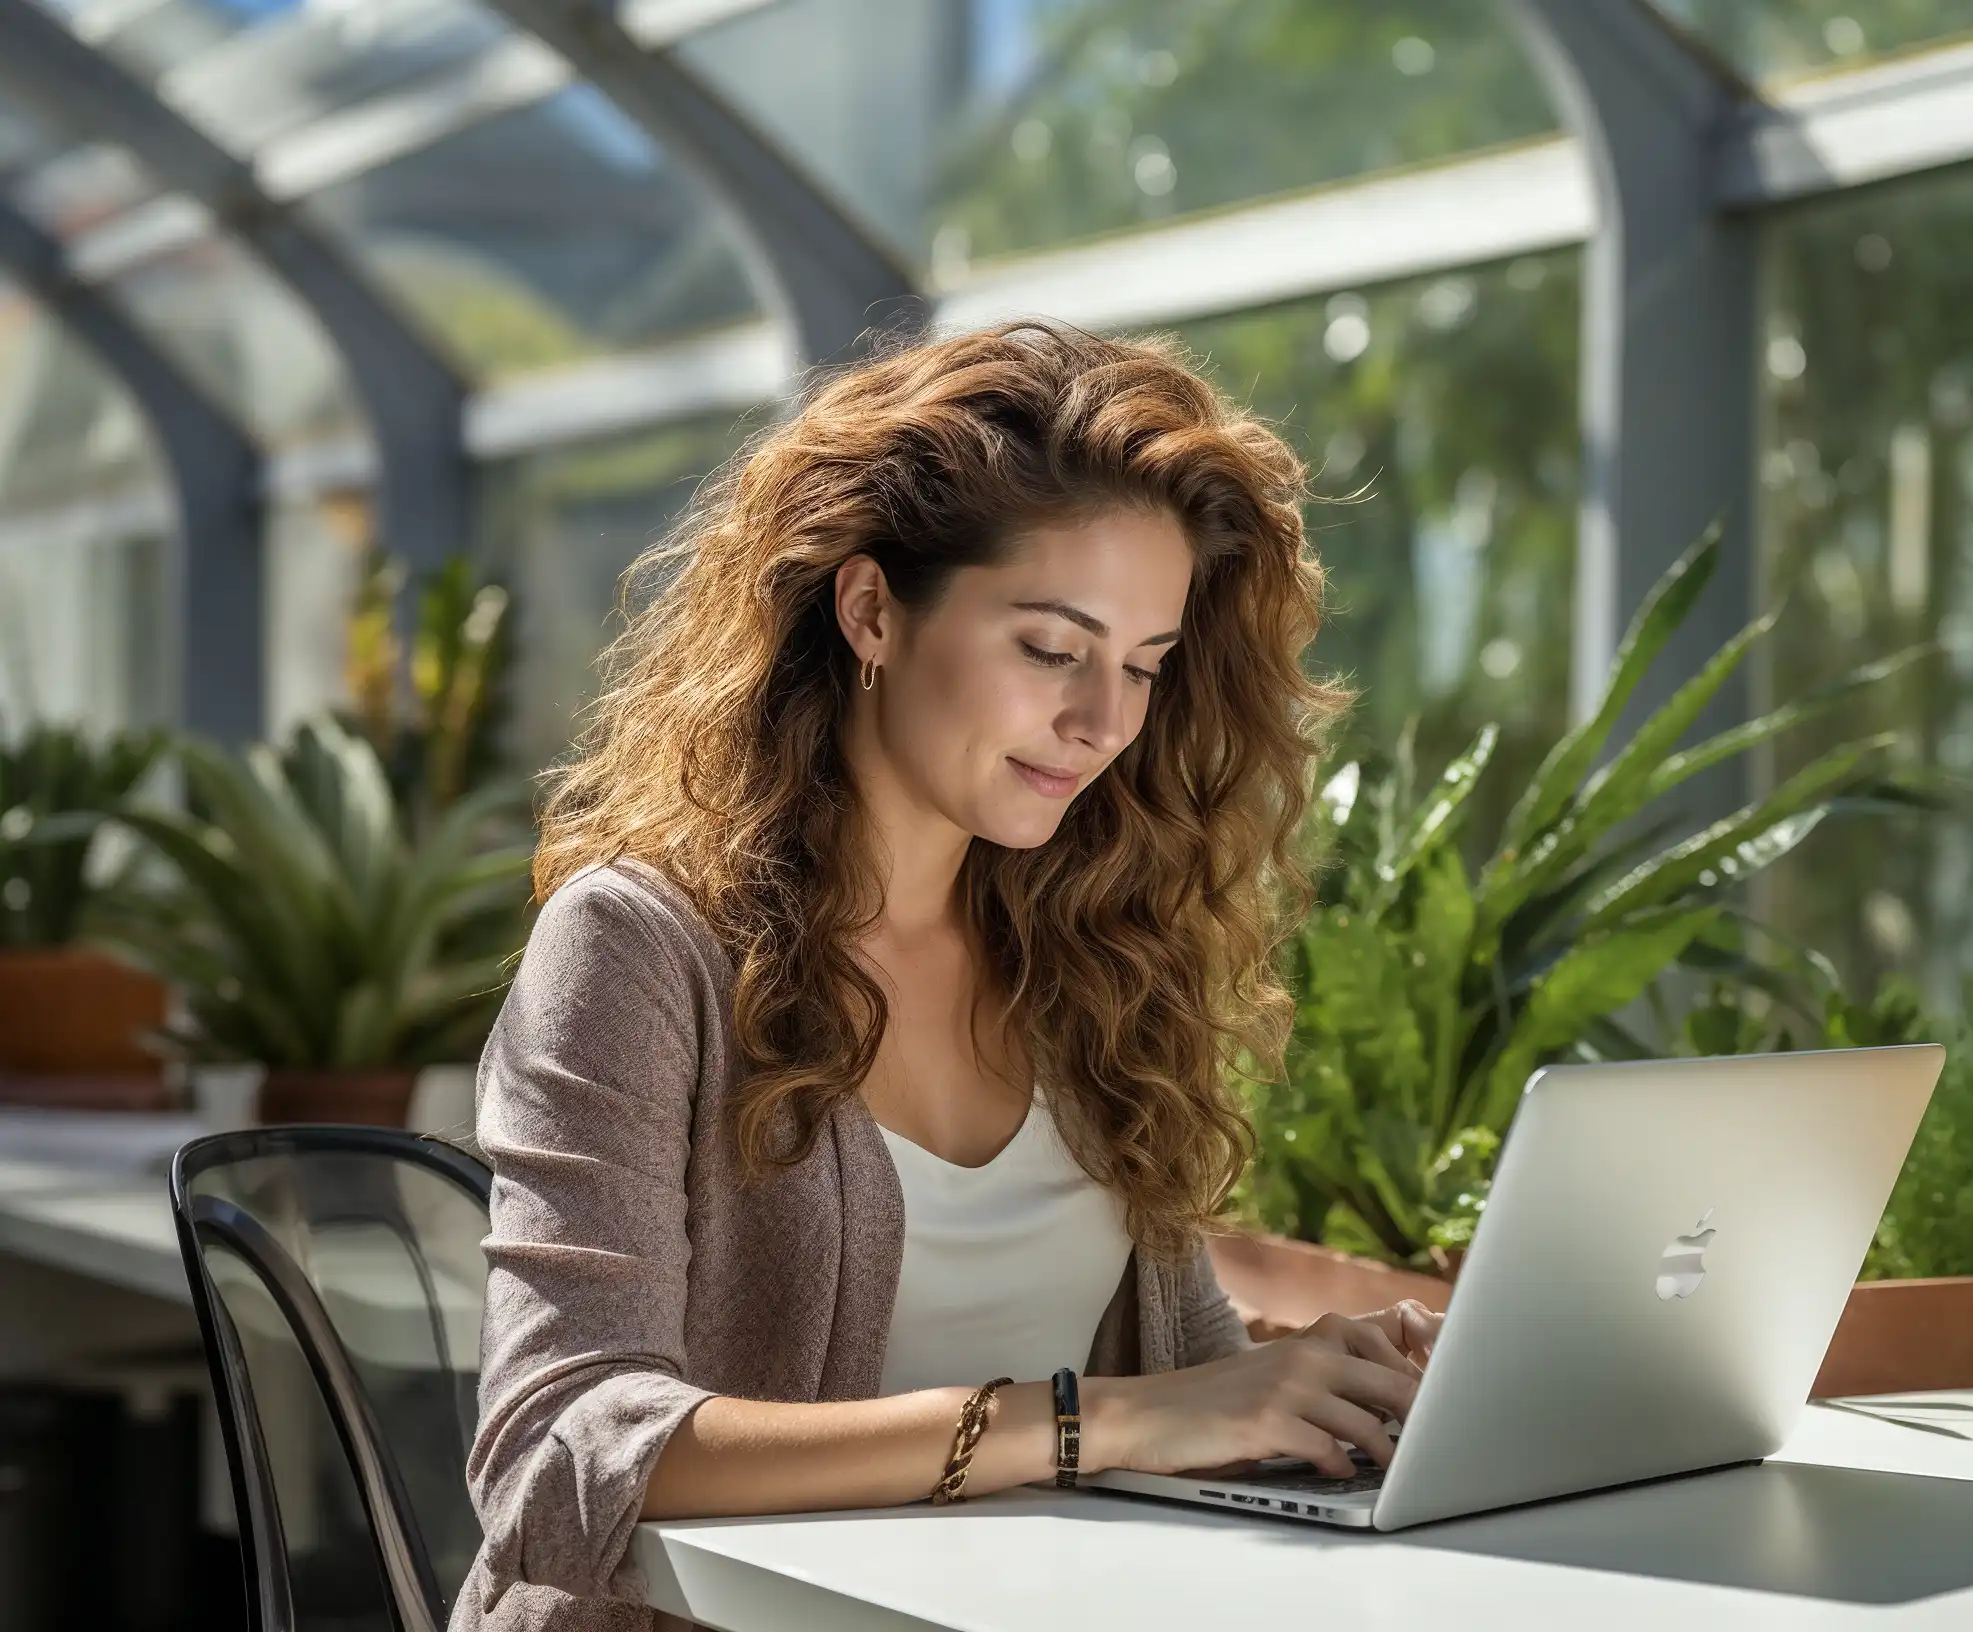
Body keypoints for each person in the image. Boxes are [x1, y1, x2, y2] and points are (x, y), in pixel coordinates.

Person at [454, 322, 1437, 1632]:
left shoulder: (1091, 952)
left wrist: (1323, 1383)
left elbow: (1181, 1370)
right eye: (1051, 648)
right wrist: (1098, 1426)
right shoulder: (641, 948)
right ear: (871, 609)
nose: (1105, 724)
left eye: (1143, 666)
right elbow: (557, 1459)